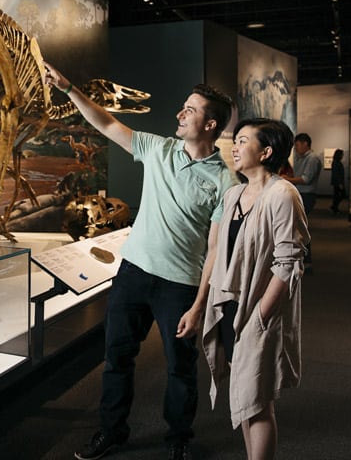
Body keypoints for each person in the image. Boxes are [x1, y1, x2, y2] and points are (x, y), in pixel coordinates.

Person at [42, 61, 237, 460]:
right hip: (132, 274)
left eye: (191, 110)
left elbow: (216, 250)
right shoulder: (158, 148)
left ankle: (178, 438)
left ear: (211, 125)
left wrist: (200, 305)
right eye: (183, 106)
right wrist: (69, 89)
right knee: (117, 359)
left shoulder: (225, 181)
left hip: (180, 286)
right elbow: (108, 124)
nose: (180, 114)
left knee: (180, 368)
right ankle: (112, 431)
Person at [202, 118, 309, 460]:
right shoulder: (235, 193)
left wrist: (261, 316)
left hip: (260, 311)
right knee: (245, 396)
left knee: (258, 400)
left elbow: (289, 262)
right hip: (233, 307)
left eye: (243, 140)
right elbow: (220, 252)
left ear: (265, 151)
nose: (234, 146)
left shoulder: (282, 193)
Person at [282, 132, 321, 271]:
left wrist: (286, 179)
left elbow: (306, 178)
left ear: (305, 144)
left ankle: (306, 260)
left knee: (300, 228)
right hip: (300, 194)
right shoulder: (300, 158)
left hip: (306, 195)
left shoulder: (313, 159)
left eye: (297, 145)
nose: (296, 148)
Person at [330, 148, 347, 213]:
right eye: (342, 154)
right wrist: (340, 183)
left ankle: (334, 207)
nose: (342, 156)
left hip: (338, 182)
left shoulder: (337, 162)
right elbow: (336, 174)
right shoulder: (336, 163)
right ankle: (334, 207)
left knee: (337, 195)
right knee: (341, 195)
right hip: (338, 183)